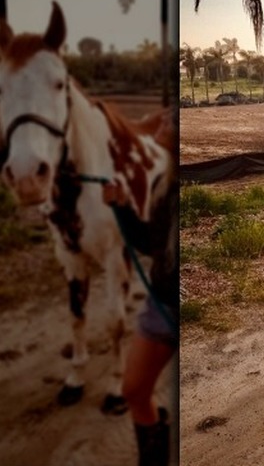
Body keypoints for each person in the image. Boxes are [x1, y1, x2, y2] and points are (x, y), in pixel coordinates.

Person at [103, 110, 179, 466]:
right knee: (134, 389)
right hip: (159, 304)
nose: (158, 125)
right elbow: (152, 244)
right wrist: (122, 208)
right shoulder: (163, 182)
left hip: (172, 303)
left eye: (167, 122)